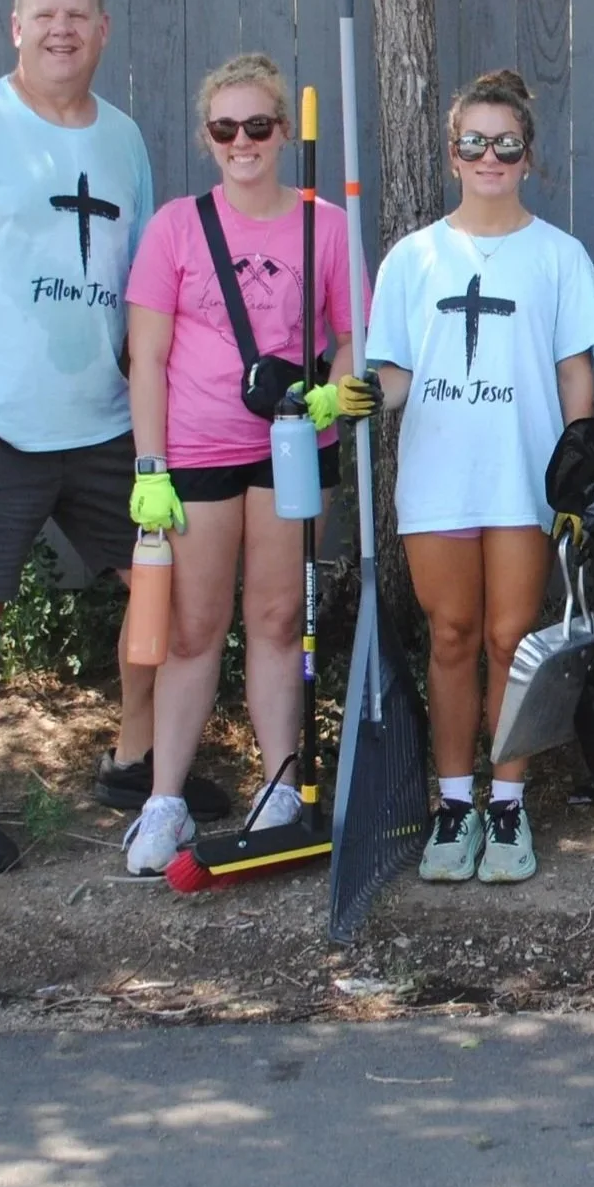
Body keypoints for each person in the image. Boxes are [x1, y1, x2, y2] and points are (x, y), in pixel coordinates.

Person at [0, 0, 199, 876]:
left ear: (103, 31)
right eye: (44, 15)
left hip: (105, 417)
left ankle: (134, 761)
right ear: (16, 29)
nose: (61, 29)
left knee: (161, 587)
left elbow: (143, 283)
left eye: (77, 15)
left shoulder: (123, 139)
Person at [339, 69, 594, 885]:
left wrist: (576, 476)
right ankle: (454, 803)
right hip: (440, 477)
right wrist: (365, 391)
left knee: (510, 640)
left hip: (522, 477)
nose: (490, 156)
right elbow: (396, 372)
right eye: (474, 142)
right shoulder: (414, 258)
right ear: (453, 154)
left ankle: (508, 802)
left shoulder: (558, 255)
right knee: (452, 635)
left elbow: (574, 375)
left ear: (528, 154)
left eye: (506, 143)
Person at [118, 54, 356, 876]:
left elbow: (352, 336)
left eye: (258, 125)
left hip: (292, 448)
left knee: (278, 621)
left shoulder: (325, 226)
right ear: (207, 137)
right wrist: (150, 467)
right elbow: (146, 357)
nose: (242, 141)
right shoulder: (177, 227)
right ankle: (165, 799)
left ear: (283, 131)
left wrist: (332, 395)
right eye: (225, 128)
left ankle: (280, 787)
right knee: (193, 628)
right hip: (196, 453)